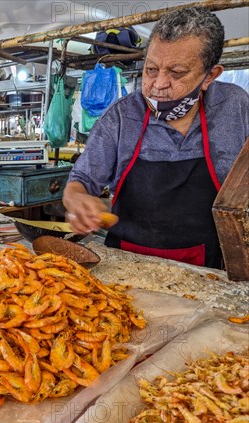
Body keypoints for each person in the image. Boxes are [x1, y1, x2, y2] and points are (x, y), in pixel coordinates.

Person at [63, 6, 249, 269]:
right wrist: (78, 201)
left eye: (177, 73)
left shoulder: (234, 106)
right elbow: (80, 182)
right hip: (128, 263)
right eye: (151, 69)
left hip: (209, 266)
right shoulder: (122, 116)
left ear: (210, 75)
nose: (159, 84)